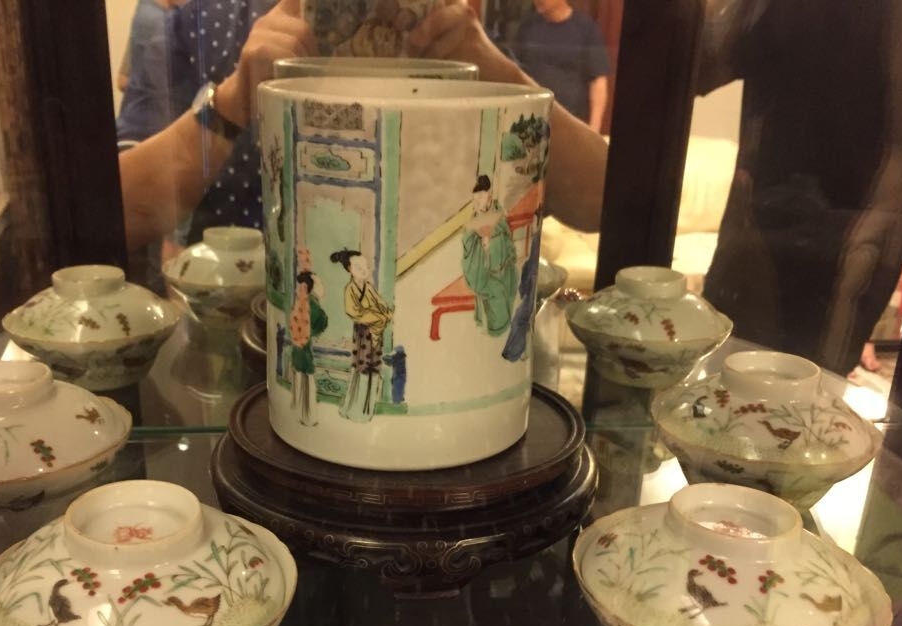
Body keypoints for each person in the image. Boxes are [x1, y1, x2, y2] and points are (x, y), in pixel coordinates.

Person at [119, 0, 609, 253]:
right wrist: (231, 102)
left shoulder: (448, 28)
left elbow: (601, 203)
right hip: (244, 335)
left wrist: (493, 71)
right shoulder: (207, 21)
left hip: (426, 341)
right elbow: (117, 214)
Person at [697, 0, 902, 375]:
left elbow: (692, 65)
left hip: (818, 249)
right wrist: (899, 207)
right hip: (798, 245)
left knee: (738, 380)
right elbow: (696, 64)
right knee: (776, 383)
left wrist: (898, 206)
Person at [512, 0, 612, 133]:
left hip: (571, 123)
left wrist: (594, 129)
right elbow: (515, 72)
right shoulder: (527, 27)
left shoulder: (586, 28)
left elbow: (598, 81)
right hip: (531, 121)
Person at [331, 249, 393, 423]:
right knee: (362, 367)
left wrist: (384, 315)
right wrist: (378, 317)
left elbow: (382, 305)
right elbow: (354, 312)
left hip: (376, 333)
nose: (364, 269)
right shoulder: (350, 289)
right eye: (358, 267)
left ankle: (366, 410)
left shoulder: (369, 287)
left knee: (374, 368)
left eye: (365, 265)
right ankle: (355, 409)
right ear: (349, 269)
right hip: (363, 334)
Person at [115, 0, 184, 147]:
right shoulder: (159, 23)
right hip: (149, 140)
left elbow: (122, 80)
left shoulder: (146, 12)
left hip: (128, 133)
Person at [462, 175, 518, 336]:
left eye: (482, 196)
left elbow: (507, 238)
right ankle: (496, 329)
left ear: (490, 195)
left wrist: (509, 254)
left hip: (503, 267)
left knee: (512, 282)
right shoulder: (473, 223)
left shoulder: (498, 214)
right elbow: (468, 248)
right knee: (497, 294)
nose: (478, 202)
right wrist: (483, 245)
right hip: (484, 274)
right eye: (476, 198)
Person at [288, 268, 328, 425]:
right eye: (319, 284)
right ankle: (308, 417)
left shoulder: (300, 302)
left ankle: (298, 414)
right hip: (304, 351)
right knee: (307, 383)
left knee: (298, 381)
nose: (322, 287)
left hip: (297, 349)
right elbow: (320, 324)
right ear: (313, 287)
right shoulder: (313, 305)